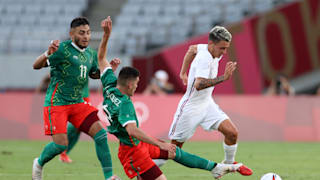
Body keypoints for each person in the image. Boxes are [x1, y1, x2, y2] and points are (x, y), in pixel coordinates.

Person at [98, 16, 244, 180]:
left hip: (141, 142)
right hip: (135, 146)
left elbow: (101, 59)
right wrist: (224, 78)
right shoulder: (125, 104)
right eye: (137, 84)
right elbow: (133, 131)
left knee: (177, 151)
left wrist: (106, 35)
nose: (138, 86)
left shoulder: (110, 85)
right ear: (130, 84)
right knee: (171, 151)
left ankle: (220, 167)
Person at [154, 26, 253, 176]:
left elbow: (191, 49)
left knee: (232, 133)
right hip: (190, 109)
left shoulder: (208, 49)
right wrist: (223, 78)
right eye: (222, 48)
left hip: (207, 104)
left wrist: (183, 73)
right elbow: (198, 85)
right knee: (172, 151)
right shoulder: (203, 58)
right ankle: (143, 169)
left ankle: (227, 165)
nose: (224, 52)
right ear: (212, 44)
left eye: (226, 48)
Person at [31, 16, 119, 180]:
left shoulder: (90, 54)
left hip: (78, 103)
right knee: (60, 145)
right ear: (72, 34)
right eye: (81, 33)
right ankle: (39, 163)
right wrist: (46, 53)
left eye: (88, 33)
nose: (86, 36)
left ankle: (109, 177)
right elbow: (36, 65)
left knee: (101, 134)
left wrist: (108, 70)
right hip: (57, 103)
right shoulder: (62, 50)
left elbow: (94, 74)